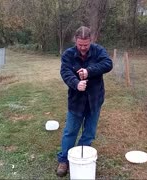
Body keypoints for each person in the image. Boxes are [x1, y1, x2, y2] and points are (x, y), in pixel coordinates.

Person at [56, 26, 113, 177]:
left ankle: (81, 157)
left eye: (85, 45)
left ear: (90, 41)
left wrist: (89, 71)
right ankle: (64, 160)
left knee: (89, 132)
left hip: (95, 99)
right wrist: (76, 83)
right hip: (76, 101)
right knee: (70, 132)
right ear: (76, 41)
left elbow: (108, 64)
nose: (82, 48)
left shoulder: (98, 50)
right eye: (80, 45)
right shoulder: (68, 54)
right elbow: (65, 72)